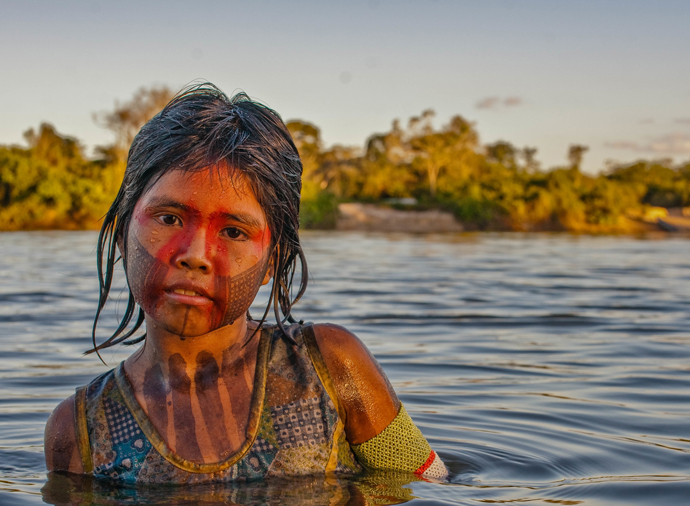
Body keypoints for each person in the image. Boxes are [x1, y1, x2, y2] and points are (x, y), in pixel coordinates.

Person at [43, 83, 447, 484]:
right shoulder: (80, 430)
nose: (196, 255)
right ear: (122, 234)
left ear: (272, 260)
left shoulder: (329, 369)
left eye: (234, 232)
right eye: (169, 219)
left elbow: (432, 492)